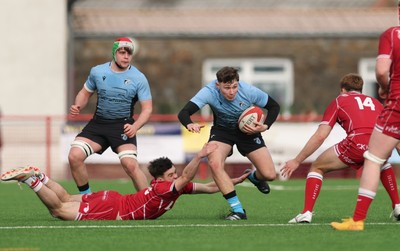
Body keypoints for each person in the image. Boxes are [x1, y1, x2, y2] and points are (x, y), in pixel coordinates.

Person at [0, 143, 249, 220]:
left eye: (175, 173)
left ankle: (41, 177)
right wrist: (200, 155)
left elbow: (210, 187)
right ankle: (32, 180)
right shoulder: (165, 188)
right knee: (58, 209)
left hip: (112, 199)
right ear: (160, 179)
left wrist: (233, 181)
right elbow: (187, 176)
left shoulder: (174, 190)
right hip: (112, 208)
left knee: (64, 200)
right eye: (171, 174)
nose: (176, 176)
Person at [280, 73, 400, 224]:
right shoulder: (376, 102)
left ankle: (306, 213)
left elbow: (320, 136)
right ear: (360, 89)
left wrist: (297, 161)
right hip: (379, 142)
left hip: (356, 143)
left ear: (343, 90)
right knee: (381, 162)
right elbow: (392, 130)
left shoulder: (339, 100)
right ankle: (398, 206)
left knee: (317, 167)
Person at [177, 66, 280, 220]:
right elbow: (183, 113)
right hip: (222, 132)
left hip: (248, 131)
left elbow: (274, 106)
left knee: (269, 174)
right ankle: (238, 210)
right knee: (214, 163)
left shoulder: (248, 91)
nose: (231, 92)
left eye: (234, 87)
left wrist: (265, 126)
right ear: (218, 85)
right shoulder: (209, 91)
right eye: (227, 88)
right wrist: (189, 124)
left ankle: (254, 177)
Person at [331, 26, 400, 230]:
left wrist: (384, 87)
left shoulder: (392, 34)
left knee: (373, 159)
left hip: (397, 104)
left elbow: (381, 70)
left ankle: (358, 220)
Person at [68, 37, 152, 194]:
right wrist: (77, 105)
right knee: (74, 156)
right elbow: (85, 93)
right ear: (114, 53)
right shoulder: (97, 72)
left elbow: (147, 109)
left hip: (123, 126)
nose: (126, 56)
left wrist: (135, 127)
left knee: (130, 165)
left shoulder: (139, 78)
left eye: (129, 53)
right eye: (122, 52)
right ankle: (88, 198)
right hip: (98, 124)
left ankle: (149, 202)